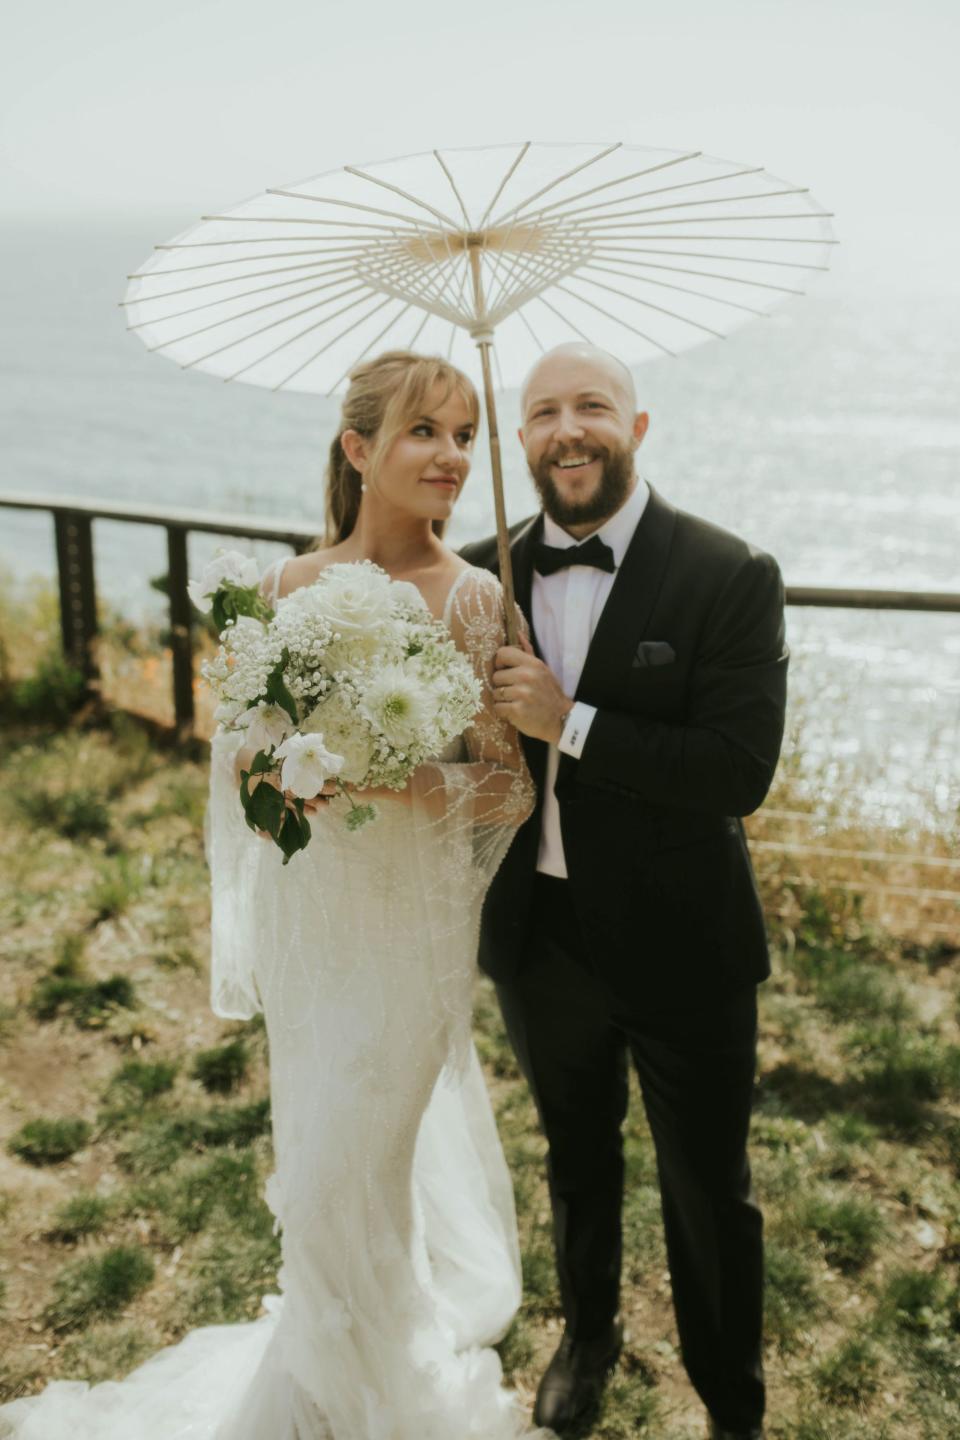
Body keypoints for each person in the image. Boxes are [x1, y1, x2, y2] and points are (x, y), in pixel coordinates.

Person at [0, 352, 546, 1440]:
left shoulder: (477, 597)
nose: (451, 457)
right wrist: (291, 772)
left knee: (360, 1156)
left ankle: (356, 1396)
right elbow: (249, 784)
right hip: (317, 925)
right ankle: (331, 1368)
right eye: (423, 432)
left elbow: (509, 787)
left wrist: (398, 772)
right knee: (315, 1156)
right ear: (358, 449)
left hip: (411, 937)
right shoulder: (292, 594)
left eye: (465, 435)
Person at [460, 342, 788, 1440]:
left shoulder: (728, 573)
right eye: (544, 411)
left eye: (592, 405)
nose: (568, 429)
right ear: (522, 441)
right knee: (575, 1155)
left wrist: (573, 722)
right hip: (538, 938)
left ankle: (730, 1400)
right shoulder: (476, 577)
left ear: (636, 428)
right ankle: (587, 1334)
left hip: (684, 945)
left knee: (709, 1189)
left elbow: (737, 772)